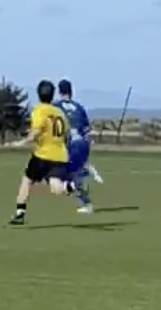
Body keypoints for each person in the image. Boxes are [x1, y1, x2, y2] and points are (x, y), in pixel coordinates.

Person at [9, 80, 72, 225]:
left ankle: (20, 213)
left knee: (27, 180)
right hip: (60, 155)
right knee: (56, 186)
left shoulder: (39, 110)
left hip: (43, 155)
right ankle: (70, 187)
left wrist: (21, 142)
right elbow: (66, 135)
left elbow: (36, 132)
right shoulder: (60, 113)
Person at [56, 79, 104, 213]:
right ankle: (86, 171)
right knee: (71, 176)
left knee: (65, 177)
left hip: (68, 145)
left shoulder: (56, 107)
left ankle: (86, 200)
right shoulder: (79, 108)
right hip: (81, 144)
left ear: (59, 91)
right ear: (71, 91)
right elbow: (87, 131)